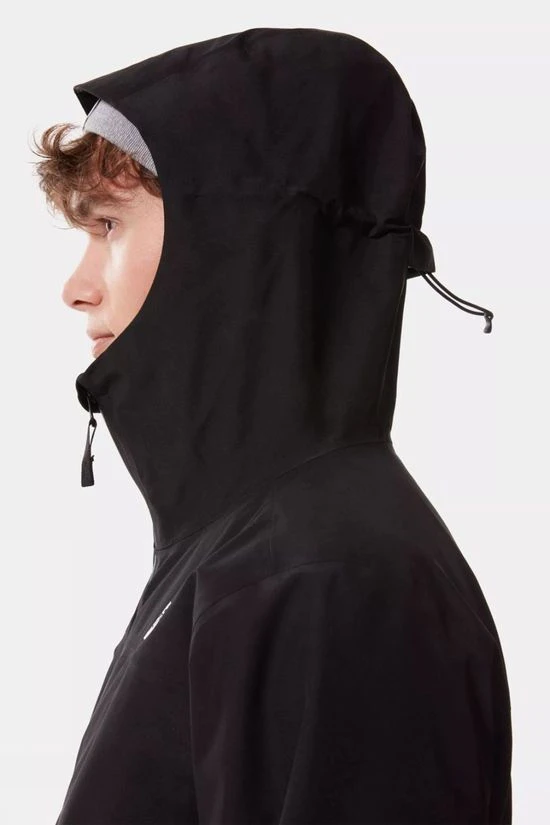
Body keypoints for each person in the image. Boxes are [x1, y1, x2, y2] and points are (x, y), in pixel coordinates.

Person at [32, 27, 512, 824]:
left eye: (109, 226)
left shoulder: (331, 576)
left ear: (233, 242)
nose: (76, 287)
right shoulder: (245, 551)